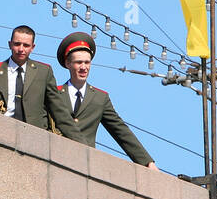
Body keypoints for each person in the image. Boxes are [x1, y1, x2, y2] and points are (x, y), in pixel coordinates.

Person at [55, 34, 157, 169]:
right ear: (68, 64)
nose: (83, 67)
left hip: (86, 163)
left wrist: (147, 162)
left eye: (87, 62)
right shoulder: (55, 93)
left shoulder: (100, 98)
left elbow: (120, 131)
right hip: (57, 157)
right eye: (79, 62)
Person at [0, 25, 82, 140]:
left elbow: (58, 110)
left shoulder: (43, 72)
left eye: (26, 45)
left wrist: (80, 142)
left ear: (32, 47)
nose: (21, 49)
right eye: (17, 44)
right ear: (10, 44)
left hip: (33, 138)